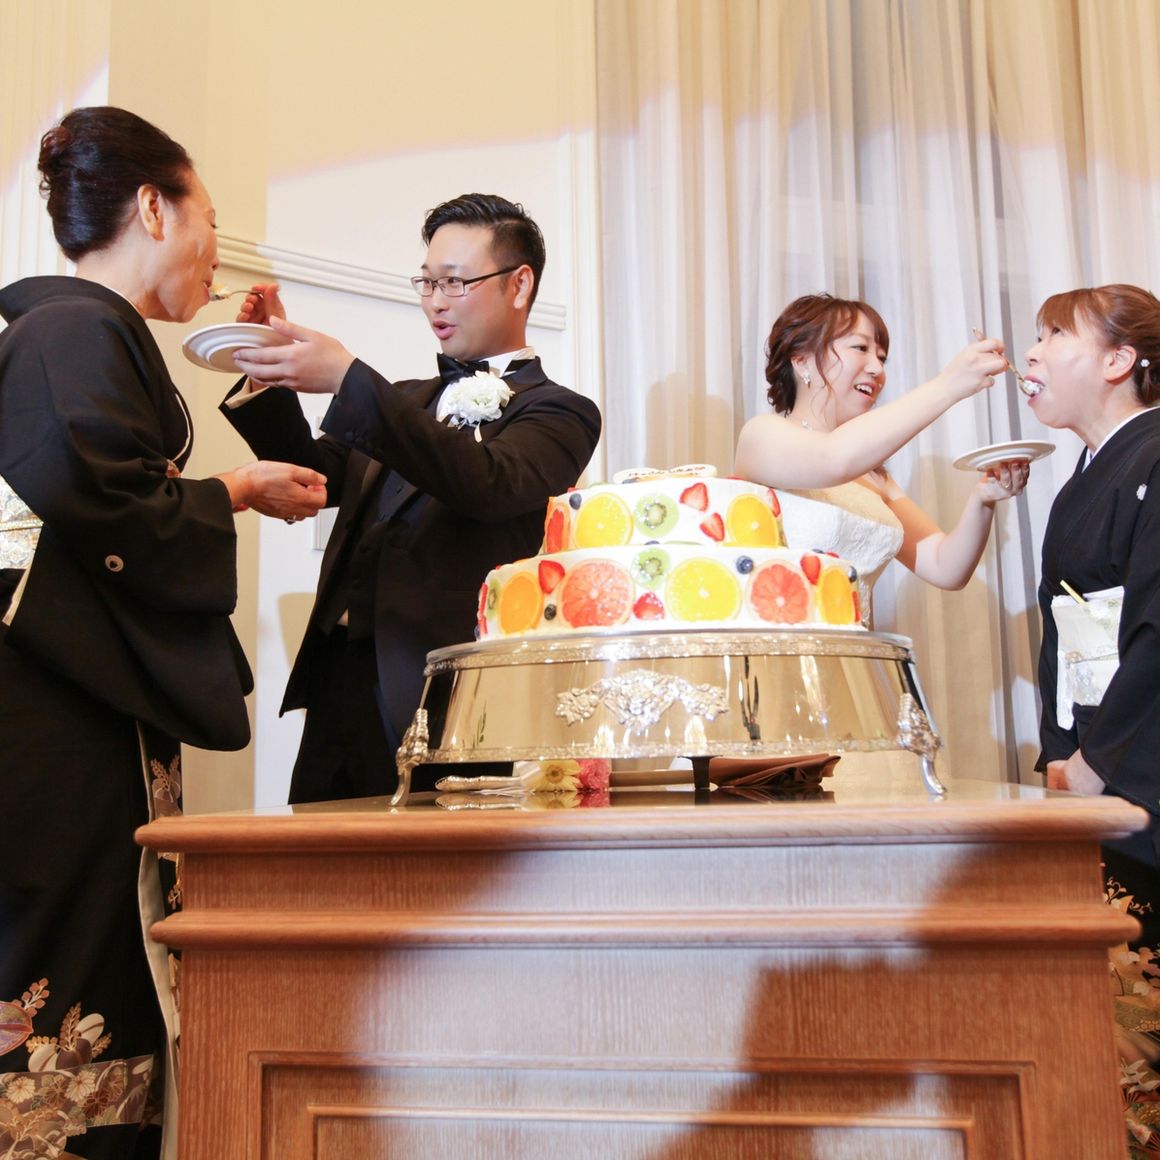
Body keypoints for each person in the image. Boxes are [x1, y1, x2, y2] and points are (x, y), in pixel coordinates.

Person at [0, 108, 326, 1158]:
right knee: (69, 945)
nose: (215, 251)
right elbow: (102, 498)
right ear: (153, 207)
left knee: (91, 939)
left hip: (68, 701)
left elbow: (109, 499)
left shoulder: (70, 331)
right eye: (209, 220)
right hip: (55, 718)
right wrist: (234, 489)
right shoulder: (71, 329)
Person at [223, 193, 602, 803]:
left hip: (447, 694)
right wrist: (268, 378)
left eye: (454, 282)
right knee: (319, 851)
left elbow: (488, 483)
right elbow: (315, 476)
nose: (435, 301)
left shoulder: (561, 411)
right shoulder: (405, 398)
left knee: (425, 856)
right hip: (338, 678)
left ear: (519, 284)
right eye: (427, 282)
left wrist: (347, 377)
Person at [1026, 283, 1160, 1148]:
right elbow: (1061, 636)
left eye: (1053, 336)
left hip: (1139, 767)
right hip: (1093, 765)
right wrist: (1058, 752)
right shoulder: (1081, 477)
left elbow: (1155, 627)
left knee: (1136, 1024)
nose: (1031, 354)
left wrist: (1097, 761)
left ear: (1118, 360)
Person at [733, 294, 1029, 611]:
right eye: (860, 348)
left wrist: (984, 498)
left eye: (882, 358)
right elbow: (833, 459)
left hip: (857, 641)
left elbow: (945, 567)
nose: (877, 369)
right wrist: (947, 385)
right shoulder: (761, 435)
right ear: (801, 359)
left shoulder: (874, 476)